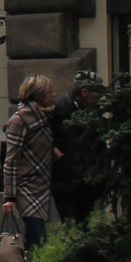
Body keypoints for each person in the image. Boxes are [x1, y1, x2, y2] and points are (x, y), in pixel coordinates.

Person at [2, 73, 56, 262]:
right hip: (25, 189)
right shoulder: (19, 119)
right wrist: (9, 197)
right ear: (38, 95)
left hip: (41, 187)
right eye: (49, 91)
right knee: (39, 242)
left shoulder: (45, 117)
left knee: (35, 246)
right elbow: (11, 160)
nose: (53, 94)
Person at [51, 79, 98, 225]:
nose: (99, 98)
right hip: (65, 178)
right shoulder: (59, 108)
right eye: (96, 93)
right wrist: (51, 148)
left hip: (85, 180)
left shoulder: (93, 112)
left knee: (84, 222)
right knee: (70, 223)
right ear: (84, 92)